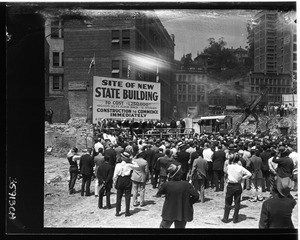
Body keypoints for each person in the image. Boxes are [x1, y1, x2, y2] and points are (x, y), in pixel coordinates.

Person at [157, 163, 199, 228]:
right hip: (182, 212)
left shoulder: (167, 185)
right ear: (180, 174)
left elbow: (160, 192)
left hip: (169, 211)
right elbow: (196, 196)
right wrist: (189, 202)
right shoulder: (187, 185)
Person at [222, 154, 251, 224]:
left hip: (230, 185)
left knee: (228, 202)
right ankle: (235, 219)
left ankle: (225, 218)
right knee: (237, 203)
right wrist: (242, 178)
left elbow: (225, 171)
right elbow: (249, 174)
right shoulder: (240, 167)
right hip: (238, 185)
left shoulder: (229, 166)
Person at [113, 151, 137, 217]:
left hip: (120, 179)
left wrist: (115, 182)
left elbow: (115, 175)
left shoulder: (117, 165)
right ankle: (127, 211)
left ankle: (117, 211)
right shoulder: (129, 165)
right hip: (127, 180)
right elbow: (137, 166)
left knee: (119, 196)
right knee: (127, 196)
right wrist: (131, 160)